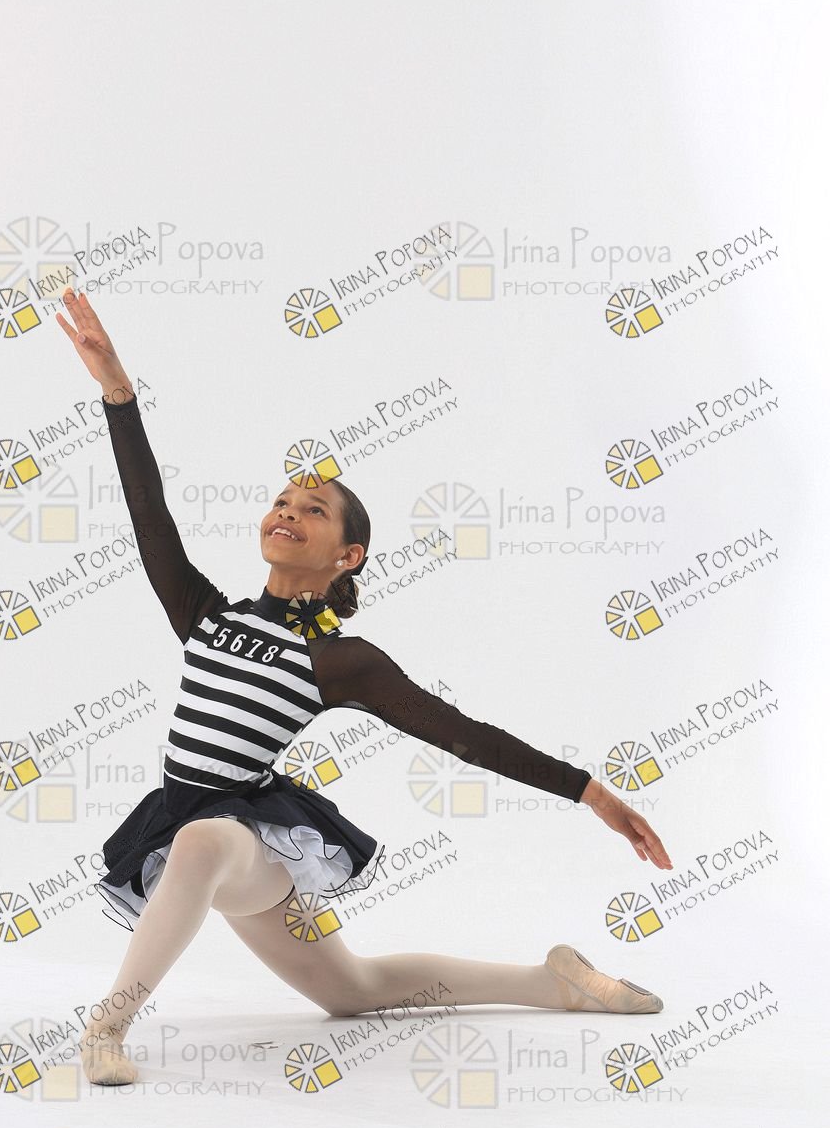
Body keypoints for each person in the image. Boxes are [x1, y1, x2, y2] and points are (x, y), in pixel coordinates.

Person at [55, 290, 673, 1086]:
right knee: (352, 991)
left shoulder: (340, 661)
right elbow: (151, 518)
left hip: (241, 840)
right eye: (282, 501)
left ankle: (106, 1027)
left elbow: (464, 736)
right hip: (191, 829)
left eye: (313, 510)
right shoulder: (206, 615)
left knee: (203, 842)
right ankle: (551, 981)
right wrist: (118, 394)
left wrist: (589, 792)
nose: (287, 512)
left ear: (346, 556)